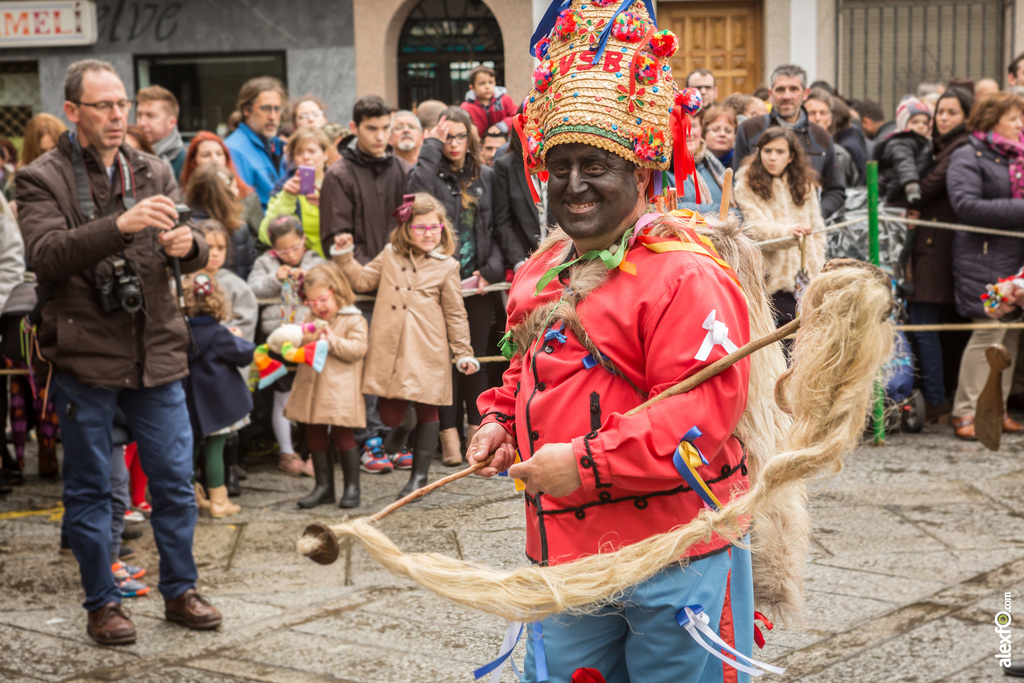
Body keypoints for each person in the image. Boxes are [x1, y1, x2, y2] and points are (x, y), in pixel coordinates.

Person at [469, 3, 756, 678]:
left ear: (640, 171)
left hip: (675, 552)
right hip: (567, 555)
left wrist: (587, 465)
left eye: (595, 164)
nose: (573, 184)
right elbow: (528, 374)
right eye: (560, 164)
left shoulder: (684, 274)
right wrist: (500, 422)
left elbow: (699, 418)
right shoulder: (538, 272)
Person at [15, 58, 219, 646]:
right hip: (84, 358)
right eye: (103, 106)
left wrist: (191, 244)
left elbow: (193, 241)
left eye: (122, 104)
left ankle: (180, 590)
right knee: (91, 491)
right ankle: (101, 603)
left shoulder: (153, 168)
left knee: (176, 483)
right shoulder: (40, 178)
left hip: (156, 353)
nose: (116, 115)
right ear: (73, 111)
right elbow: (48, 256)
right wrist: (120, 225)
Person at [332, 192, 479, 497]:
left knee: (428, 410)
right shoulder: (389, 255)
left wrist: (463, 352)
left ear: (442, 229)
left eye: (433, 228)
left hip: (428, 348)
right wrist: (344, 257)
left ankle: (419, 477)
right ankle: (398, 438)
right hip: (389, 347)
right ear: (407, 229)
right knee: (392, 415)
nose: (428, 234)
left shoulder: (447, 266)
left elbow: (455, 313)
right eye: (420, 227)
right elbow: (361, 282)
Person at [318, 95, 411, 465]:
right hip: (358, 290)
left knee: (395, 364)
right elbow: (335, 238)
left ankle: (393, 438)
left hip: (398, 286)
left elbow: (412, 228)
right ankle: (367, 437)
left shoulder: (404, 170)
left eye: (385, 128)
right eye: (371, 129)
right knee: (366, 366)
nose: (380, 136)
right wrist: (368, 276)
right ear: (355, 128)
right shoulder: (337, 175)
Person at [409, 106, 504, 466]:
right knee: (444, 360)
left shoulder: (487, 176)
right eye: (446, 136)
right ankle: (448, 436)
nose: (454, 143)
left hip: (476, 283)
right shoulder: (430, 176)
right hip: (437, 282)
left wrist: (490, 271)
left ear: (471, 138)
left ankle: (476, 431)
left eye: (460, 136)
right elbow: (416, 192)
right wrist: (429, 145)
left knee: (474, 358)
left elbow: (495, 226)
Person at [947, 91, 1024, 440]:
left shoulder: (1017, 155)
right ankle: (966, 412)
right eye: (1014, 119)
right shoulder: (968, 154)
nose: (1020, 124)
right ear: (992, 120)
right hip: (984, 258)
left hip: (1016, 258)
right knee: (987, 333)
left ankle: (997, 410)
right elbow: (965, 205)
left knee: (1010, 335)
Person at [905, 87, 974, 425]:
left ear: (966, 117)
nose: (943, 118)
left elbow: (929, 185)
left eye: (952, 112)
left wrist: (908, 195)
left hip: (938, 249)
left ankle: (936, 400)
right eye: (940, 112)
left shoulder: (959, 148)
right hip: (932, 246)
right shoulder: (942, 146)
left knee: (925, 324)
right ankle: (937, 398)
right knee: (926, 324)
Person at [247, 215, 326, 474]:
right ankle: (286, 453)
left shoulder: (315, 260)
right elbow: (252, 290)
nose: (291, 255)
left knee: (317, 394)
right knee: (282, 396)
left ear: (304, 240)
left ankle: (318, 453)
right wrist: (275, 279)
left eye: (295, 247)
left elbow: (329, 283)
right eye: (283, 250)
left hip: (311, 337)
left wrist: (309, 279)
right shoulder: (264, 263)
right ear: (273, 248)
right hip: (279, 339)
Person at [284, 263, 367, 509]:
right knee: (314, 434)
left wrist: (332, 340)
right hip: (311, 388)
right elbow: (300, 341)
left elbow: (358, 350)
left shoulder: (353, 319)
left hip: (339, 390)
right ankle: (323, 487)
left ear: (336, 290)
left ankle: (352, 487)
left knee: (343, 436)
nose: (318, 307)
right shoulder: (311, 318)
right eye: (311, 302)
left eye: (322, 299)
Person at [735, 127, 826, 328]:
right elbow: (756, 227)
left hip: (805, 278)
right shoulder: (747, 183)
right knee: (780, 339)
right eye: (767, 151)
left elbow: (818, 229)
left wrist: (817, 267)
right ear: (759, 152)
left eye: (780, 152)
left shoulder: (804, 183)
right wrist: (789, 232)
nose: (772, 158)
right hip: (771, 279)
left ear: (791, 156)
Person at [182, 273, 255, 518]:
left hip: (189, 404)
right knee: (215, 451)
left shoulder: (181, 333)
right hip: (219, 404)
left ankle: (191, 497)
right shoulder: (219, 334)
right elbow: (243, 355)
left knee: (189, 451)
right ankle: (218, 501)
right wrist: (236, 336)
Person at [732, 64, 846, 219]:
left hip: (806, 231)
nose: (786, 96)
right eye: (780, 90)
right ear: (771, 93)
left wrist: (814, 215)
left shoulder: (821, 137)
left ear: (805, 93)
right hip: (760, 229)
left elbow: (835, 190)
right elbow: (737, 183)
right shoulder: (750, 129)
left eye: (793, 89)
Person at [259, 125, 330, 257]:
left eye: (311, 151)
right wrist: (287, 198)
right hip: (300, 266)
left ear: (325, 155)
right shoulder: (284, 188)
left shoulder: (340, 186)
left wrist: (329, 206)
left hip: (334, 263)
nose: (306, 157)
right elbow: (265, 235)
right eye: (299, 153)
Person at [180, 131, 263, 243]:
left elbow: (260, 242)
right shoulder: (184, 199)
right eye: (206, 155)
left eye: (219, 154)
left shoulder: (247, 197)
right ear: (194, 162)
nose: (214, 159)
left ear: (226, 158)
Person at [186, 163, 259, 280]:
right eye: (234, 187)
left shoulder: (185, 227)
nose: (238, 192)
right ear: (225, 194)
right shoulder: (238, 228)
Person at [224, 76, 288, 209]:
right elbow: (243, 208)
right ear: (246, 110)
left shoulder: (278, 145)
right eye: (265, 109)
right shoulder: (234, 149)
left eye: (277, 109)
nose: (272, 117)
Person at [493, 131, 546, 273]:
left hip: (561, 257)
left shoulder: (559, 162)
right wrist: (518, 262)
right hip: (524, 259)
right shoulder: (505, 166)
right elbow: (502, 221)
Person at [875, 97, 933, 207]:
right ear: (903, 123)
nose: (921, 126)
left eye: (925, 123)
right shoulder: (901, 142)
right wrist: (911, 184)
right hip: (899, 188)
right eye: (915, 122)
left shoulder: (923, 142)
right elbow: (904, 163)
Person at [677, 112, 736, 216]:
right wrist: (720, 210)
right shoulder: (662, 170)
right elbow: (663, 207)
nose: (687, 132)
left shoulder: (710, 164)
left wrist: (730, 212)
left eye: (693, 125)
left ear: (701, 130)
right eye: (680, 125)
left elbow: (736, 209)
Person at [803, 88, 858, 186]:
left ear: (829, 119)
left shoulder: (841, 155)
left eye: (822, 113)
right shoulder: (792, 150)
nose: (818, 118)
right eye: (812, 113)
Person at [135, 85, 187, 178]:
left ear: (171, 122)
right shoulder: (127, 157)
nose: (142, 123)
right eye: (139, 115)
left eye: (150, 116)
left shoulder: (188, 162)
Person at [460, 65, 516, 140]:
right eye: (482, 83)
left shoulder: (505, 99)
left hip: (504, 142)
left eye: (490, 82)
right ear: (472, 88)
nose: (487, 86)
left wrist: (502, 125)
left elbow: (516, 116)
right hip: (479, 145)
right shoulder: (466, 107)